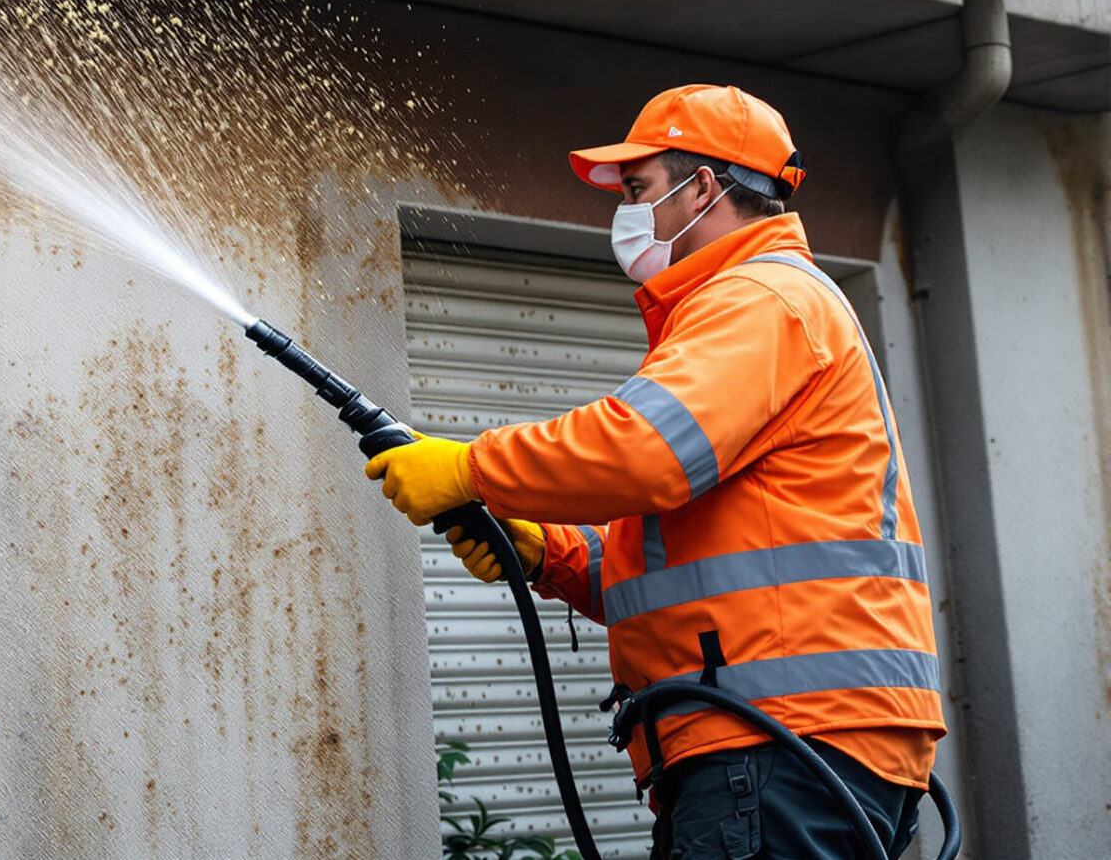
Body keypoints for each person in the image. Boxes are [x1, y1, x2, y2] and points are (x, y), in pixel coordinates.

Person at [367, 84, 943, 859]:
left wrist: (471, 466)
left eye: (639, 188)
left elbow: (643, 451)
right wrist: (551, 553)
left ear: (703, 186)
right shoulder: (764, 304)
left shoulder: (760, 297)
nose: (627, 212)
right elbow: (700, 574)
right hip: (798, 736)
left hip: (783, 738)